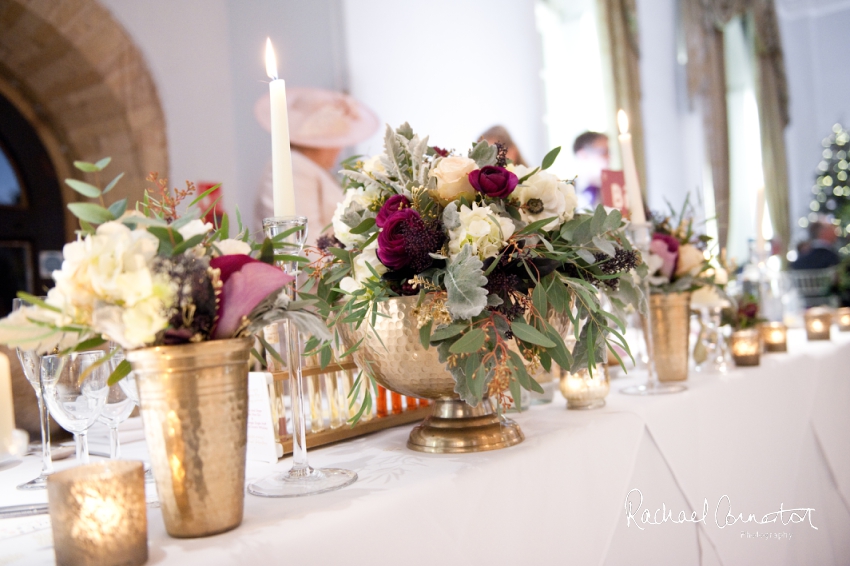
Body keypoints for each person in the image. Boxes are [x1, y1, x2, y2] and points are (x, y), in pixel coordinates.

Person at [254, 87, 379, 241]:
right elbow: (302, 240)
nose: (340, 147)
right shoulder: (295, 167)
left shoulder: (311, 169)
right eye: (337, 138)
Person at [572, 131, 609, 210]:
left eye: (608, 152)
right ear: (582, 154)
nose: (608, 157)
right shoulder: (565, 192)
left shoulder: (620, 190)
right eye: (602, 152)